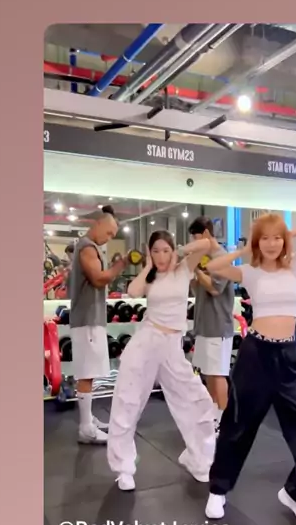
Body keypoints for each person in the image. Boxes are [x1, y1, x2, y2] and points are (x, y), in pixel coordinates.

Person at [203, 213, 296, 525]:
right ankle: (218, 490)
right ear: (257, 242)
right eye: (265, 238)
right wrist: (242, 251)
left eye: (277, 238)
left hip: (288, 357)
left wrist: (290, 231)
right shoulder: (250, 272)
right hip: (256, 356)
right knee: (237, 426)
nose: (272, 244)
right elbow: (213, 267)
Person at [107, 230, 217, 491]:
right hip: (146, 342)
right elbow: (133, 291)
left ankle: (198, 459)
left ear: (173, 250)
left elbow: (207, 244)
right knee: (127, 402)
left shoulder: (184, 269)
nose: (161, 256)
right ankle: (123, 468)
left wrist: (179, 251)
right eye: (155, 251)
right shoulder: (151, 276)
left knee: (197, 399)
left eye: (165, 250)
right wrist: (147, 265)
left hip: (172, 347)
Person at [69, 206, 127, 444]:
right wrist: (121, 264)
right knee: (87, 373)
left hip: (90, 320)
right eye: (110, 232)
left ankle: (88, 420)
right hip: (87, 321)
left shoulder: (89, 248)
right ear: (98, 224)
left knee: (90, 373)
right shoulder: (87, 247)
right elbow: (98, 278)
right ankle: (86, 429)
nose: (110, 238)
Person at [188, 216, 235, 429]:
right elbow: (196, 289)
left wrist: (197, 271)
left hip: (218, 326)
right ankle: (212, 414)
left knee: (218, 374)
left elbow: (215, 289)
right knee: (207, 373)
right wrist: (192, 270)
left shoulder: (221, 257)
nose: (195, 243)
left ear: (206, 234)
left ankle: (224, 422)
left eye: (197, 238)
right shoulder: (202, 259)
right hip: (203, 325)